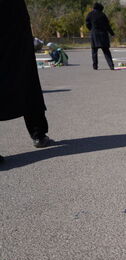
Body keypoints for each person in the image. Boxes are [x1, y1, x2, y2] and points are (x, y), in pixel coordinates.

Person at [1, 0, 53, 162]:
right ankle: (38, 134)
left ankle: (38, 133)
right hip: (15, 30)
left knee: (26, 79)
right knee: (26, 80)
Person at [86, 3, 115, 70]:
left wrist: (92, 29)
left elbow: (87, 24)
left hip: (94, 35)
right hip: (103, 35)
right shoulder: (103, 15)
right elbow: (108, 25)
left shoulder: (90, 14)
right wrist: (112, 33)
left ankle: (95, 66)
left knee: (94, 52)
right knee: (106, 51)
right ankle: (111, 66)